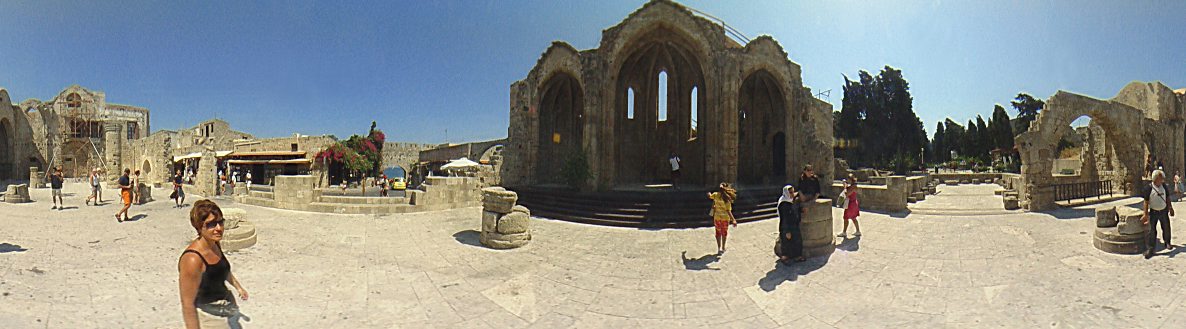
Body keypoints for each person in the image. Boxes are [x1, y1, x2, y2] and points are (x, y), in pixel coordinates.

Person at [178, 200, 249, 329]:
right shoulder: (193, 259)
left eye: (220, 222)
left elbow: (222, 270)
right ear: (199, 227)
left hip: (227, 310)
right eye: (211, 224)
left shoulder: (215, 243)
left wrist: (239, 287)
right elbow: (188, 304)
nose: (218, 228)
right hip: (209, 319)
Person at [1142, 169, 1175, 259]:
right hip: (1154, 212)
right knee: (1152, 230)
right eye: (1161, 178)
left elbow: (1167, 197)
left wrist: (1170, 208)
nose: (1162, 180)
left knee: (1166, 227)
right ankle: (1151, 248)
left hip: (1163, 211)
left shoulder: (1164, 186)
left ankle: (1167, 242)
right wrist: (1145, 214)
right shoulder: (1148, 188)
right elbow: (1146, 202)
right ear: (1156, 179)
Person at [777, 185, 806, 264]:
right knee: (786, 243)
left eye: (793, 192)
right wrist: (787, 231)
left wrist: (801, 210)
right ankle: (785, 257)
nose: (793, 194)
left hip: (794, 224)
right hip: (787, 226)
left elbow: (794, 209)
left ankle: (797, 256)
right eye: (790, 192)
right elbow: (784, 218)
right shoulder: (783, 203)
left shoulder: (791, 200)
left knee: (797, 240)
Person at [708, 183, 738, 254]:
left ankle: (719, 248)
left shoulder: (715, 195)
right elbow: (728, 211)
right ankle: (723, 247)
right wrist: (733, 220)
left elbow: (710, 196)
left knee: (718, 233)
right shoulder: (727, 198)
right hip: (725, 218)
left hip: (717, 218)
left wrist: (709, 194)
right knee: (724, 233)